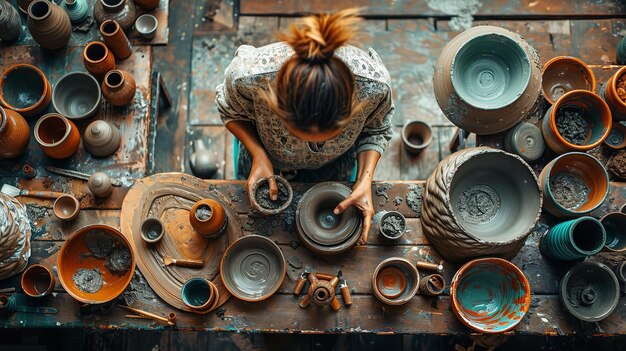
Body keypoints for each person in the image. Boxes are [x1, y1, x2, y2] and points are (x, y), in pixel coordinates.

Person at [216, 8, 394, 244]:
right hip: (266, 156)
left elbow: (377, 129)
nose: (314, 144)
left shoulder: (373, 87)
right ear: (276, 107)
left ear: (351, 111)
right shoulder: (250, 76)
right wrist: (259, 154)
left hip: (336, 163)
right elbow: (229, 108)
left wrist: (365, 179)